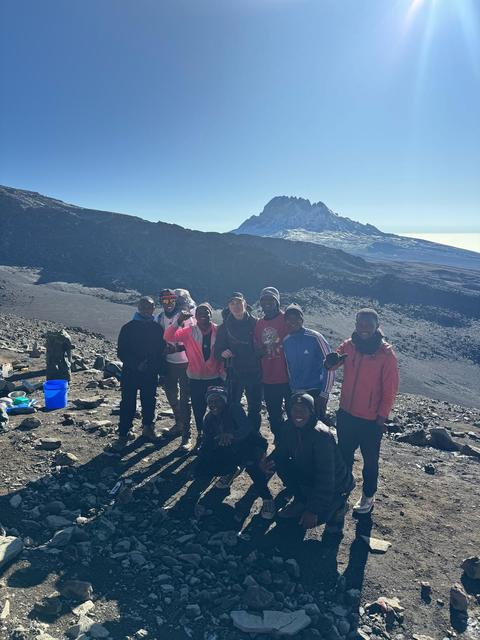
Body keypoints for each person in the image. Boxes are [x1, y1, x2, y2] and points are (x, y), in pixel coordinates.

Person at [324, 308, 399, 515]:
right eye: (360, 323)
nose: (363, 328)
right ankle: (343, 488)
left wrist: (381, 418)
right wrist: (330, 362)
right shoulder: (350, 345)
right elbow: (334, 364)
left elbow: (390, 389)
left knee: (370, 460)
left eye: (368, 324)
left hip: (370, 420)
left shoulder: (385, 354)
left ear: (376, 326)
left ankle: (368, 494)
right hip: (347, 413)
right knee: (344, 455)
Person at [265, 392, 354, 534]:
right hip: (310, 472)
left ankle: (338, 507)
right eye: (295, 409)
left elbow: (326, 478)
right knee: (281, 463)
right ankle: (301, 500)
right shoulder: (289, 427)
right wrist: (269, 460)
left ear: (312, 412)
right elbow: (281, 451)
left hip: (337, 485)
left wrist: (313, 511)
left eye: (303, 410)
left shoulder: (321, 436)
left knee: (316, 518)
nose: (298, 414)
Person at [194, 385, 276, 519]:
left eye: (217, 401)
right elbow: (207, 442)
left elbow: (246, 428)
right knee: (209, 461)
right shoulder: (208, 419)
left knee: (252, 466)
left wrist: (232, 435)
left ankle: (267, 498)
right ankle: (230, 472)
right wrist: (199, 463)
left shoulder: (234, 409)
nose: (213, 405)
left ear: (224, 400)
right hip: (230, 449)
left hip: (250, 445)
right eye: (210, 402)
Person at [164, 303, 223, 445]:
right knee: (198, 408)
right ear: (195, 316)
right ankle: (201, 435)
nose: (203, 314)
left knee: (217, 408)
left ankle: (215, 436)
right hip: (195, 378)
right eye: (200, 312)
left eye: (206, 312)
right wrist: (179, 321)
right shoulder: (189, 331)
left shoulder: (218, 330)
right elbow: (168, 336)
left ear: (211, 314)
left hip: (215, 377)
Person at [114, 296, 166, 450]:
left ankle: (148, 429)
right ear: (138, 307)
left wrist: (162, 372)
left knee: (149, 401)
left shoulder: (157, 328)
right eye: (143, 306)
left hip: (150, 373)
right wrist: (136, 364)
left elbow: (161, 352)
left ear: (153, 308)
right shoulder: (128, 327)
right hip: (131, 372)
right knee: (127, 403)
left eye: (149, 307)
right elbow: (121, 351)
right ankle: (123, 433)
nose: (146, 309)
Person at [214, 292, 262, 431]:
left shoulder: (256, 323)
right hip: (234, 373)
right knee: (233, 405)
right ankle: (235, 435)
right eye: (232, 303)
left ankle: (253, 437)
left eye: (238, 302)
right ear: (228, 306)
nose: (236, 306)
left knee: (255, 407)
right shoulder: (224, 327)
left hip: (255, 372)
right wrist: (222, 353)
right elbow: (217, 351)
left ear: (245, 304)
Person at [157, 288, 195, 452]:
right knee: (171, 393)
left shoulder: (185, 317)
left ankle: (187, 435)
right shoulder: (160, 317)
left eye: (172, 300)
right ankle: (180, 423)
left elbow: (192, 339)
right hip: (169, 363)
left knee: (185, 397)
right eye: (165, 300)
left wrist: (176, 349)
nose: (169, 303)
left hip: (186, 362)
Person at [283, 304, 335, 419]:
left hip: (315, 391)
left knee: (316, 427)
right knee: (297, 425)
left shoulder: (315, 337)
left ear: (301, 320)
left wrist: (324, 394)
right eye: (288, 319)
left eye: (295, 318)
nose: (291, 322)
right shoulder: (286, 341)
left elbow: (331, 366)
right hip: (296, 391)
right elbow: (288, 367)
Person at [254, 287, 290, 437]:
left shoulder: (287, 319)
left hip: (289, 377)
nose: (267, 303)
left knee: (293, 412)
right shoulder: (259, 324)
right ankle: (280, 441)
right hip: (269, 378)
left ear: (277, 301)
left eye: (271, 299)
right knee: (274, 414)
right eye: (264, 300)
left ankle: (294, 444)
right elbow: (256, 349)